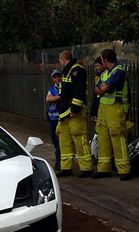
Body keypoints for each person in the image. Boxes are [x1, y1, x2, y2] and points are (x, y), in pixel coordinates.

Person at [92, 49, 132, 181]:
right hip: (103, 110)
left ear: (104, 59)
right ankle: (103, 169)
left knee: (118, 138)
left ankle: (124, 169)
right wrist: (101, 89)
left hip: (116, 108)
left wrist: (101, 89)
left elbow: (103, 88)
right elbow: (97, 89)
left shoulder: (118, 71)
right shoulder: (105, 73)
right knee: (102, 138)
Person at [55, 50, 93, 178]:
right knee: (64, 141)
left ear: (62, 60)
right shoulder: (67, 71)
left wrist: (75, 109)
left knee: (80, 139)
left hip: (73, 112)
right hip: (65, 112)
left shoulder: (77, 70)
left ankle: (87, 167)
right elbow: (64, 94)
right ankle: (66, 168)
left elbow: (79, 91)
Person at [46, 69, 62, 170]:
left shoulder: (64, 87)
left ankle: (59, 159)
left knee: (60, 140)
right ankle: (58, 155)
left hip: (61, 118)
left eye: (59, 76)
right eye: (55, 77)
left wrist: (55, 97)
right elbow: (48, 99)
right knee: (54, 139)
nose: (57, 78)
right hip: (52, 118)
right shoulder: (52, 89)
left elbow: (52, 98)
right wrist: (59, 97)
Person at [91, 57, 106, 122]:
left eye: (98, 66)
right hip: (98, 107)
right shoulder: (97, 77)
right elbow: (95, 95)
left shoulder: (107, 75)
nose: (96, 68)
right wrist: (93, 112)